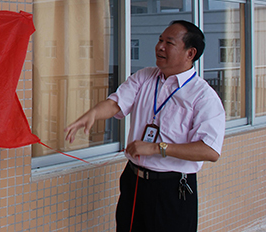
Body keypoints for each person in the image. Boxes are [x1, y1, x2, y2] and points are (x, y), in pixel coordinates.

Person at [64, 20, 225, 232]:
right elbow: (115, 103)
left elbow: (210, 150)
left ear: (190, 53)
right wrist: (93, 113)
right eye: (160, 40)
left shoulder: (203, 96)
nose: (160, 47)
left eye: (169, 43)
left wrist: (157, 148)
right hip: (134, 181)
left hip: (172, 189)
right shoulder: (145, 76)